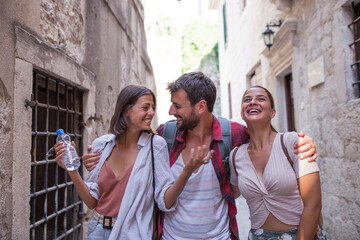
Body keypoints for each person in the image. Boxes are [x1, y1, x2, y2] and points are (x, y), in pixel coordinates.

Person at [83, 72, 318, 239]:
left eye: (177, 106)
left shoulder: (233, 134)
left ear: (200, 107)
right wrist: (97, 156)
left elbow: (265, 138)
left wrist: (301, 144)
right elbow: (128, 142)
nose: (170, 111)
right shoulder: (165, 136)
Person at [54, 85, 213, 239]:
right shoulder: (101, 145)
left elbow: (165, 201)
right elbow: (91, 201)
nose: (151, 113)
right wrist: (72, 171)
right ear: (126, 110)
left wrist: (187, 171)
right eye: (145, 107)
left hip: (133, 233)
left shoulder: (155, 145)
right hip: (97, 230)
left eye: (152, 107)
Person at [229, 86, 326, 239]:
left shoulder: (294, 143)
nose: (253, 102)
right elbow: (230, 193)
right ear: (242, 113)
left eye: (260, 99)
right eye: (247, 100)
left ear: (272, 112)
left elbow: (313, 206)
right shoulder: (236, 156)